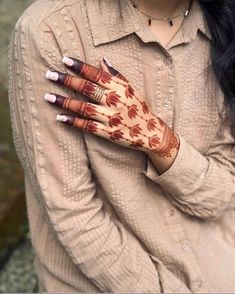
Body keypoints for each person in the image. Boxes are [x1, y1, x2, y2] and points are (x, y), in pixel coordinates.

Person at [8, 0, 235, 292]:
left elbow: (224, 193)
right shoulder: (53, 29)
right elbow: (73, 214)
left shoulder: (225, 20)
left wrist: (161, 142)